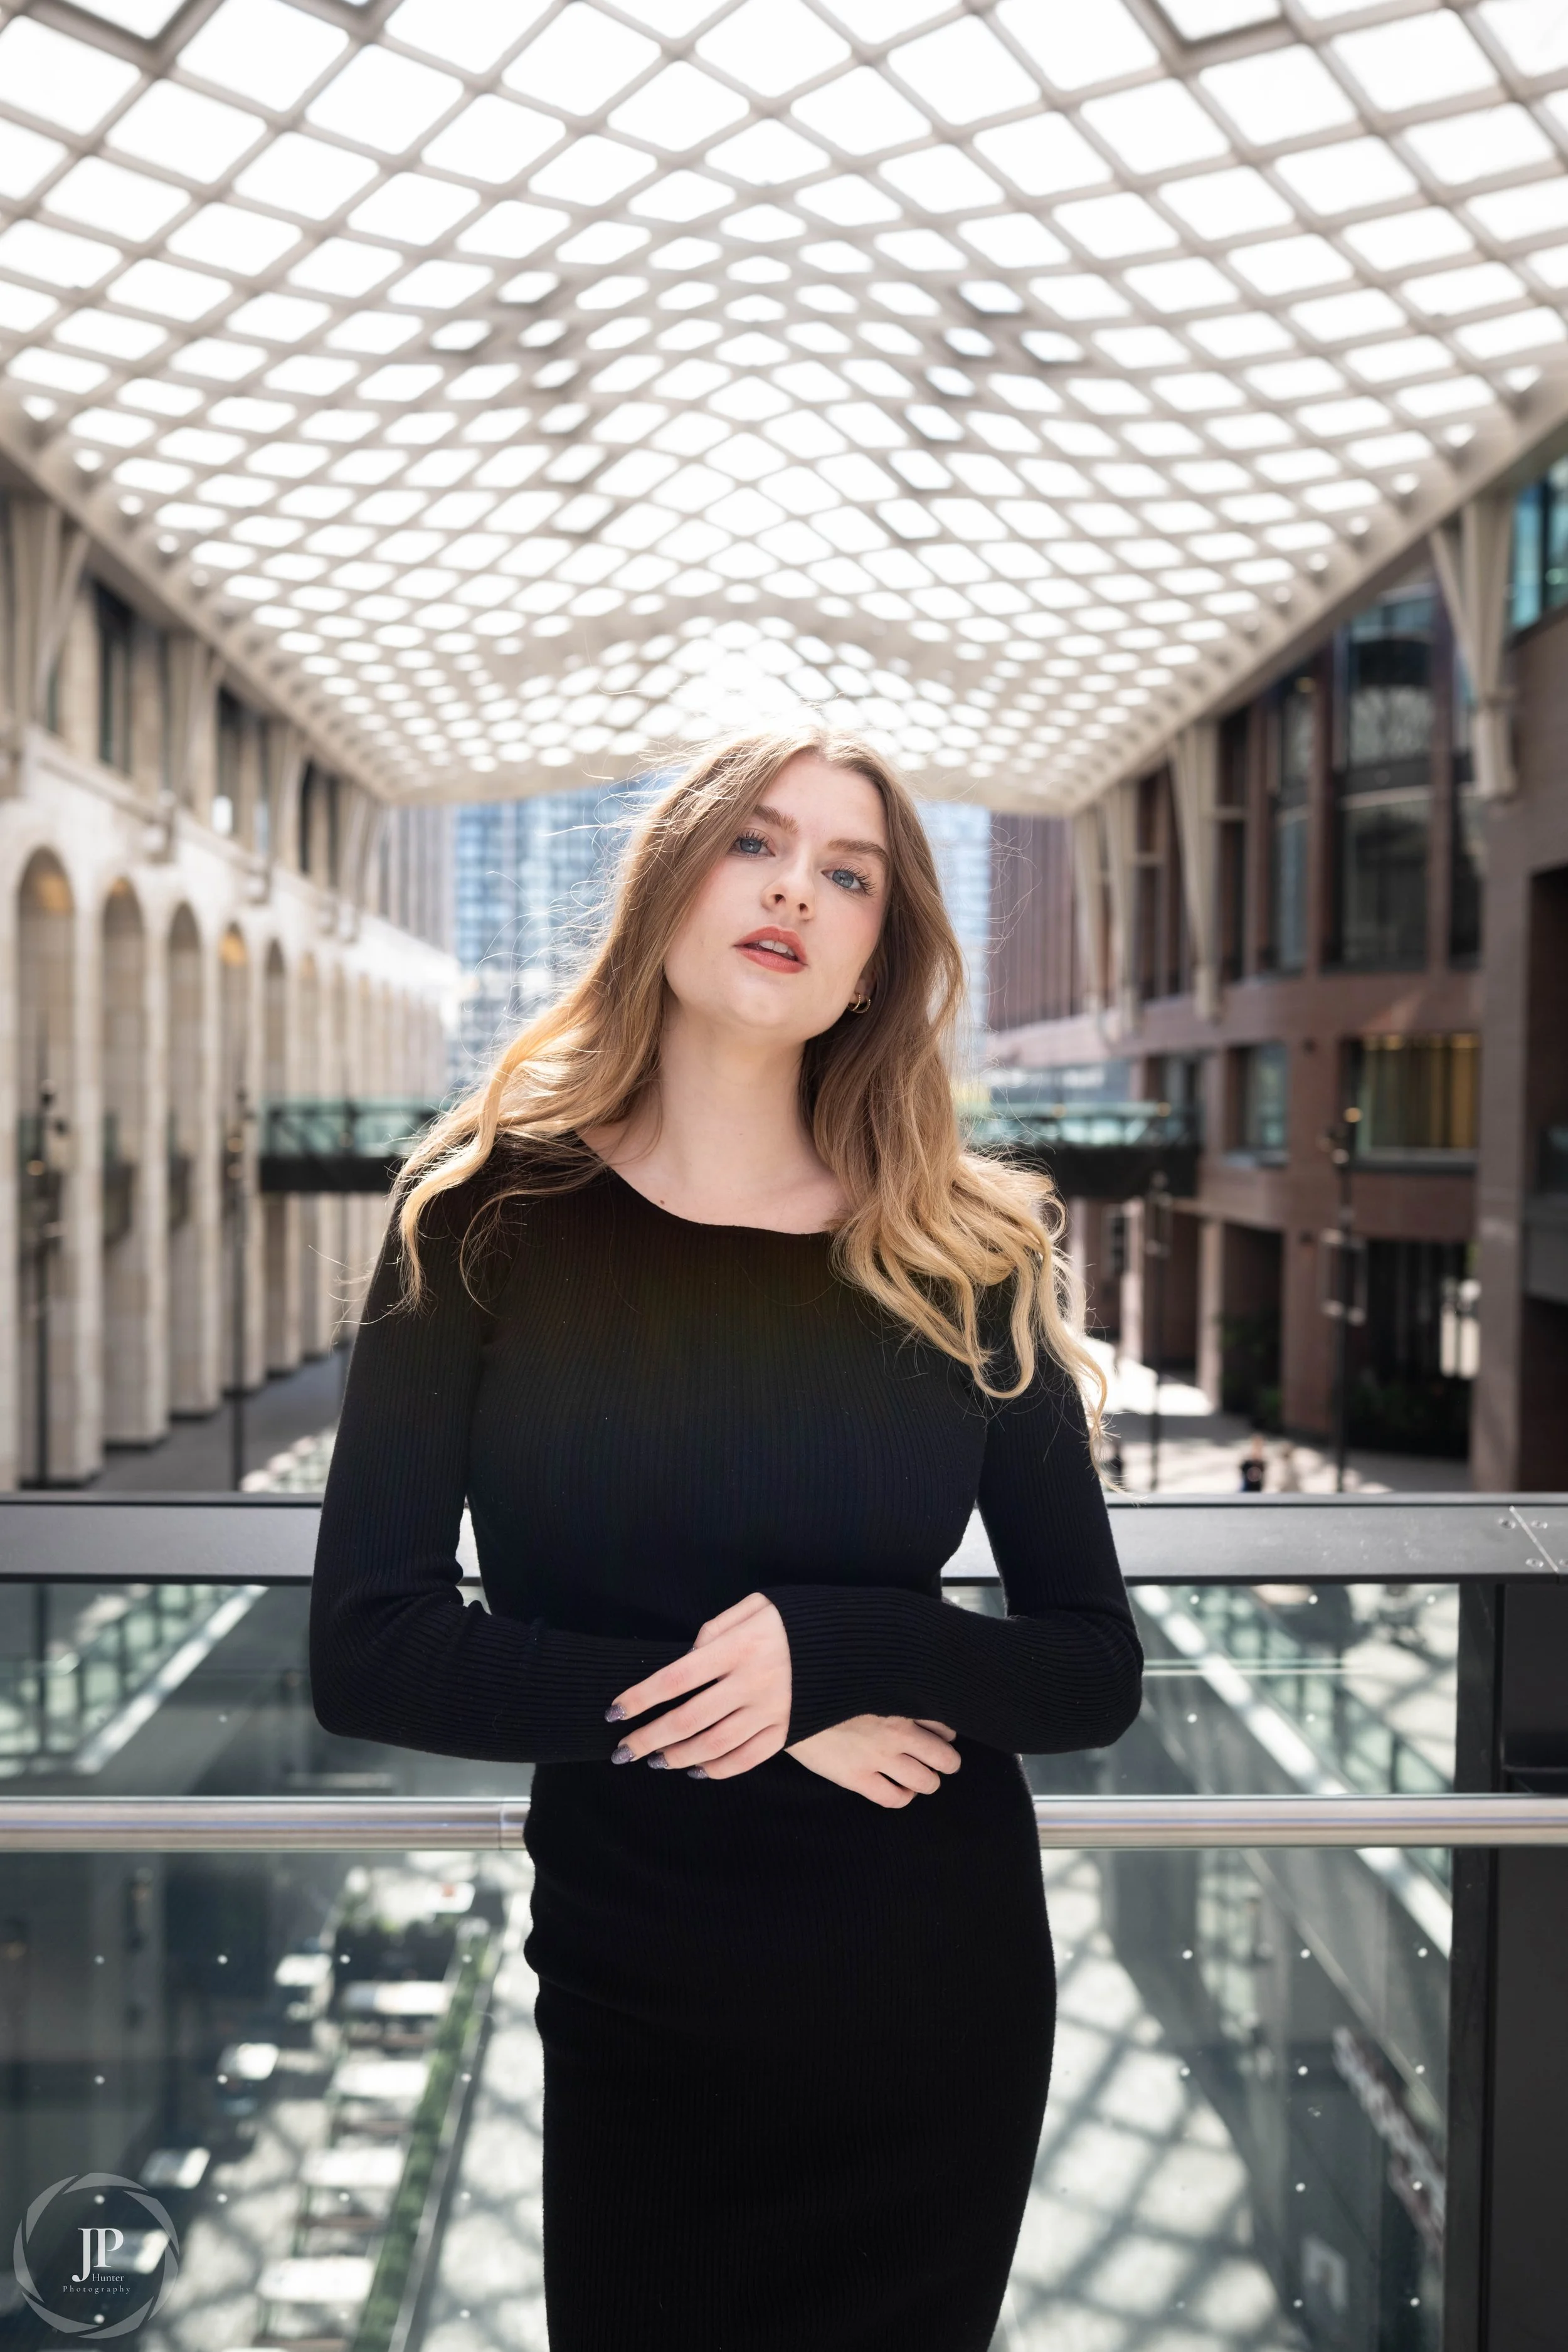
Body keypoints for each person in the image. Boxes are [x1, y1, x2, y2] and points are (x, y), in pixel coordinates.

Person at [308, 729, 1143, 2351]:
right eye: (758, 844)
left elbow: (1088, 1668)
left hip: (929, 1990)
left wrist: (839, 1651)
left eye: (850, 874)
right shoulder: (480, 1216)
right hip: (643, 1981)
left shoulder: (970, 1246)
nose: (795, 890)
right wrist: (764, 1713)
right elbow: (369, 1647)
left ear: (874, 960)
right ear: (667, 882)